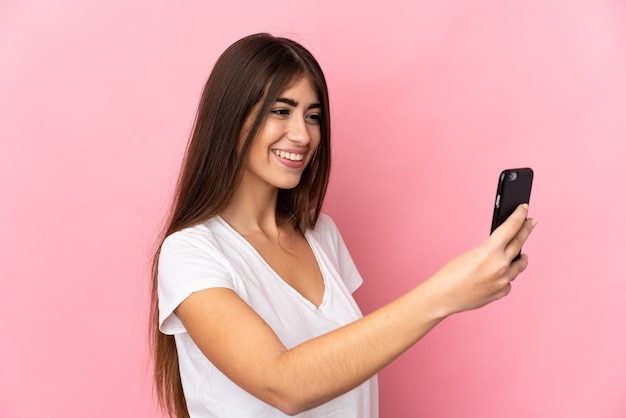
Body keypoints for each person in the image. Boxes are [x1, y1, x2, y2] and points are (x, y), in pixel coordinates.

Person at [149, 33, 537, 418]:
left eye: (313, 116)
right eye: (281, 111)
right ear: (231, 119)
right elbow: (283, 384)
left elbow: (348, 362)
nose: (303, 135)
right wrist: (445, 294)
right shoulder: (190, 252)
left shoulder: (321, 236)